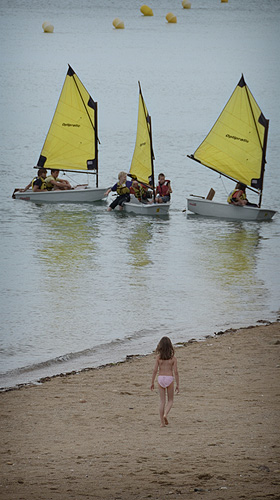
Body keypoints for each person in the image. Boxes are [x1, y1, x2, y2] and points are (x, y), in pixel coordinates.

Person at [151, 336, 179, 427]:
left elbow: (155, 370)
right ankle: (165, 414)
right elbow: (176, 372)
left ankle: (162, 423)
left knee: (162, 401)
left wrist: (152, 382)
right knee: (170, 400)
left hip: (160, 378)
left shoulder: (158, 358)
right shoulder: (173, 359)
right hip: (169, 378)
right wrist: (178, 384)